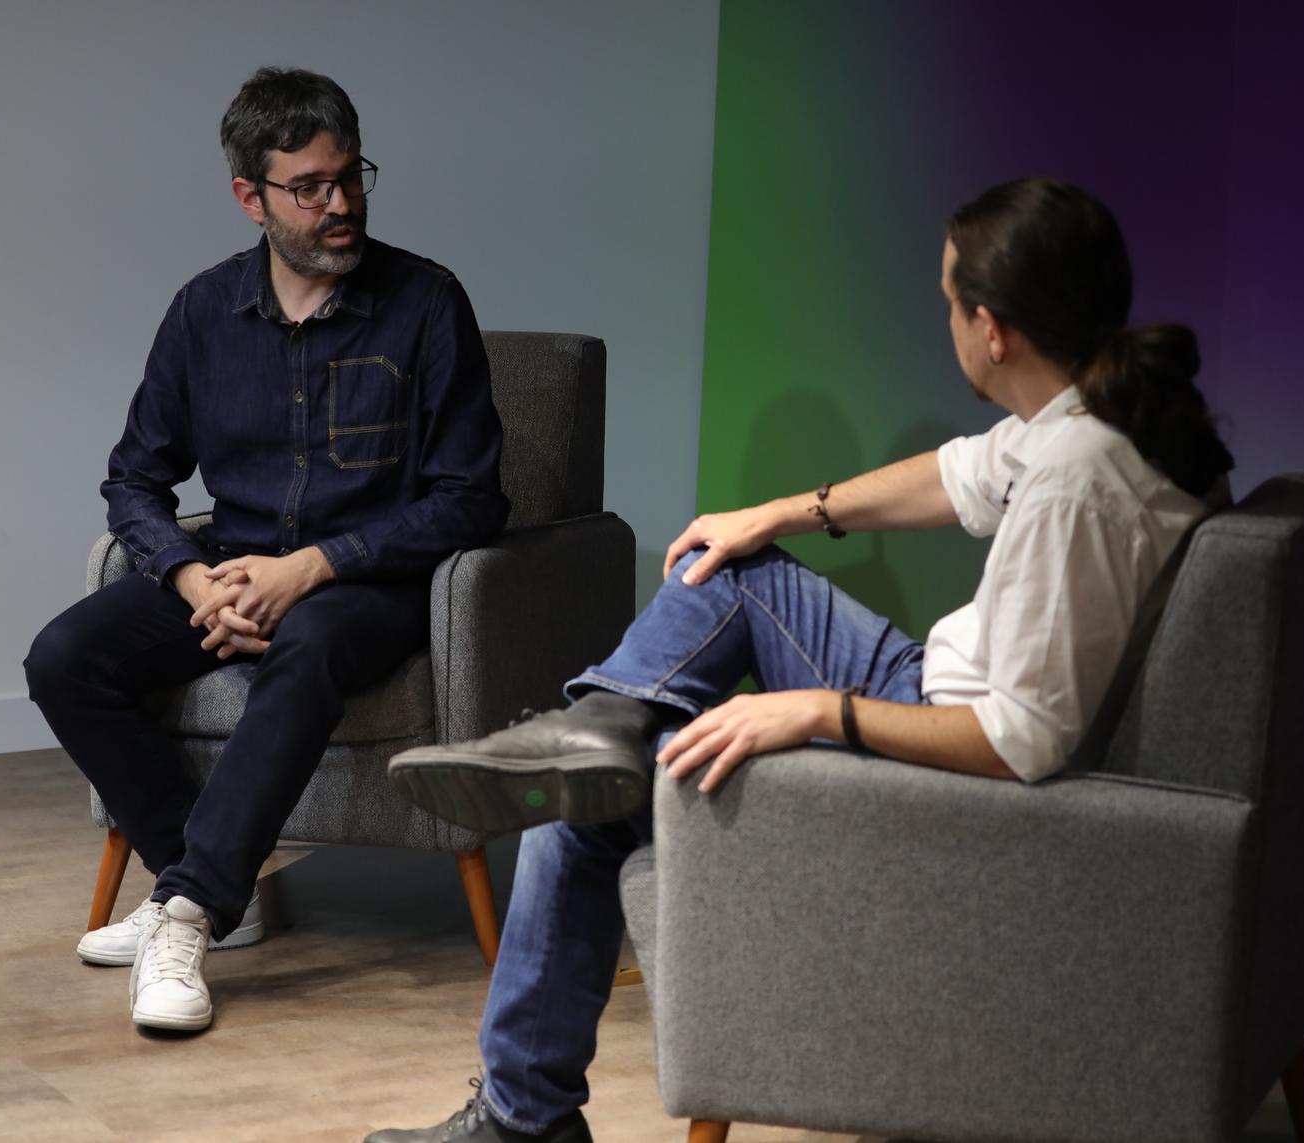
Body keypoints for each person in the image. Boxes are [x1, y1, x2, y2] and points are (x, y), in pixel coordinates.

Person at [372, 177, 1235, 1141]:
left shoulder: (1077, 481)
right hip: (937, 687)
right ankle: (600, 724)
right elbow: (955, 474)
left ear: (993, 330)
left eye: (950, 302)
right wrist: (782, 512)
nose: (946, 320)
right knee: (726, 566)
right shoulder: (1092, 421)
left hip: (952, 766)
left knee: (578, 811)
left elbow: (1022, 741)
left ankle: (522, 1118)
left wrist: (819, 711)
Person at [22, 67, 506, 1033]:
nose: (341, 205)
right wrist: (193, 579)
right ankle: (199, 883)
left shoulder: (425, 304)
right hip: (230, 571)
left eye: (350, 177)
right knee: (64, 657)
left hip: (368, 582)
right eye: (310, 188)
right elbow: (134, 478)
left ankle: (185, 914)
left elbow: (471, 499)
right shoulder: (204, 312)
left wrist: (309, 570)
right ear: (251, 196)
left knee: (309, 641)